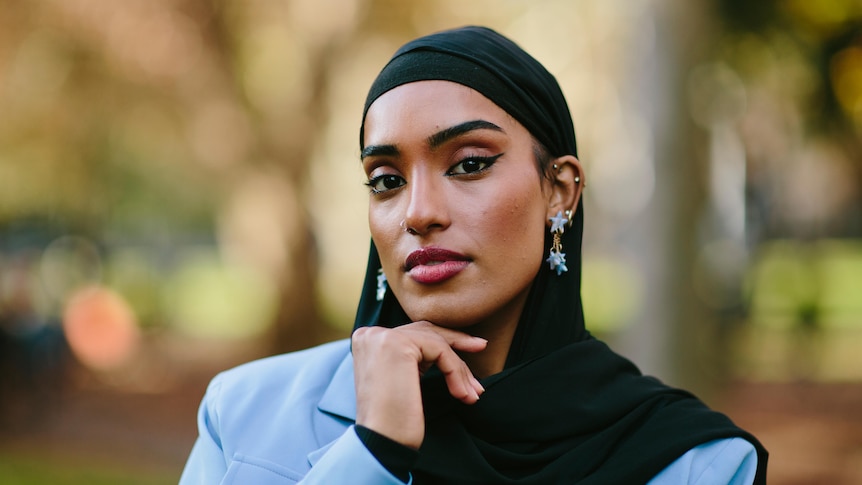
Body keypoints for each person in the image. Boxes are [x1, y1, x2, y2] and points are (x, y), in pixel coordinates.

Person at [179, 26, 768, 484]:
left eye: (469, 164)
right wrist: (371, 453)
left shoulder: (695, 464)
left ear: (559, 190)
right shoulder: (245, 412)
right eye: (386, 179)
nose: (418, 212)